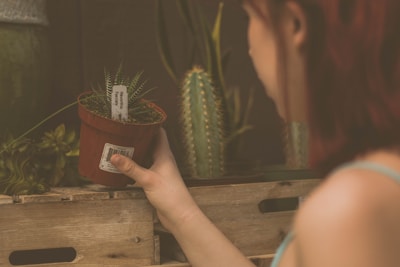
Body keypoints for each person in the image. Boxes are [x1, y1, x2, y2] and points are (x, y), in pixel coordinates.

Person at [111, 0, 400, 266]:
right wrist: (180, 213)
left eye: (250, 17)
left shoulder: (349, 210)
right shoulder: (375, 182)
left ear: (294, 25)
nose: (249, 48)